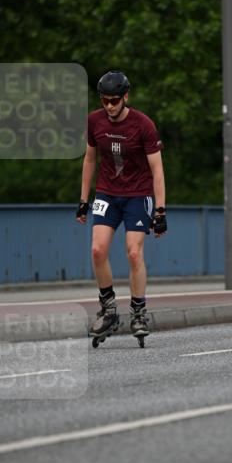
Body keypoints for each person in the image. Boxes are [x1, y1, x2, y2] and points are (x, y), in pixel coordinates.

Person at [76, 71, 167, 340]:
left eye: (114, 101)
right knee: (97, 249)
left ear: (126, 97)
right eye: (104, 101)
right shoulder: (94, 121)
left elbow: (158, 171)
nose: (109, 106)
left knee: (134, 253)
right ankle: (108, 309)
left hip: (138, 194)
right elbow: (90, 160)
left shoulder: (143, 125)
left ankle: (138, 312)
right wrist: (83, 200)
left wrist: (160, 211)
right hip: (107, 193)